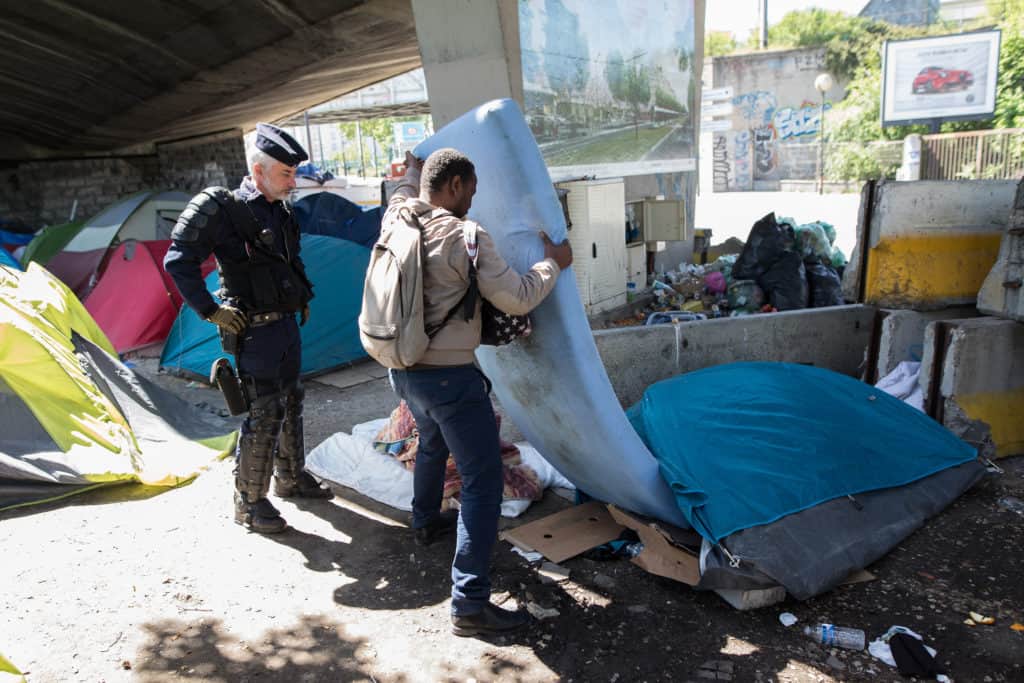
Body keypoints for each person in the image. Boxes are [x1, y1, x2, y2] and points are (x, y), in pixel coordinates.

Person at [387, 148, 573, 637]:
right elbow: (516, 296)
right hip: (449, 378)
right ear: (452, 187)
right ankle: (469, 604)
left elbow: (406, 186)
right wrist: (552, 264)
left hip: (403, 372)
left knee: (431, 442)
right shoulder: (465, 237)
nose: (472, 201)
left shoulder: (397, 216)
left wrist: (411, 168)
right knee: (483, 481)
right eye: (469, 190)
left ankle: (425, 521)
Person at [164, 122, 332, 535]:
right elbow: (178, 260)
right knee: (264, 410)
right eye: (286, 174)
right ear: (258, 171)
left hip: (286, 326)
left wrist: (302, 297)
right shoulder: (222, 209)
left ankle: (291, 478)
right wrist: (209, 310)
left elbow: (290, 260)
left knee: (292, 399)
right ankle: (249, 502)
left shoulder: (281, 208)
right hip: (253, 331)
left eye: (294, 174)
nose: (293, 182)